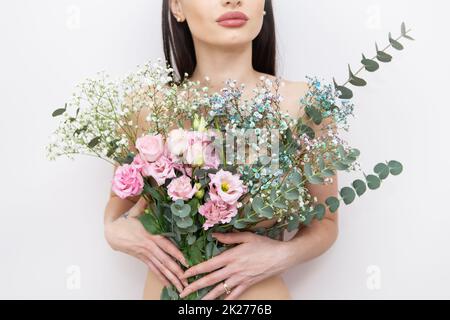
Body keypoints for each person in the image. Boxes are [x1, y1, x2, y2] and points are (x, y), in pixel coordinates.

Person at [104, 0, 339, 300]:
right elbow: (118, 202)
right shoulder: (145, 106)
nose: (232, 0)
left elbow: (327, 222)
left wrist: (279, 255)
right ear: (177, 6)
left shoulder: (305, 104)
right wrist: (114, 230)